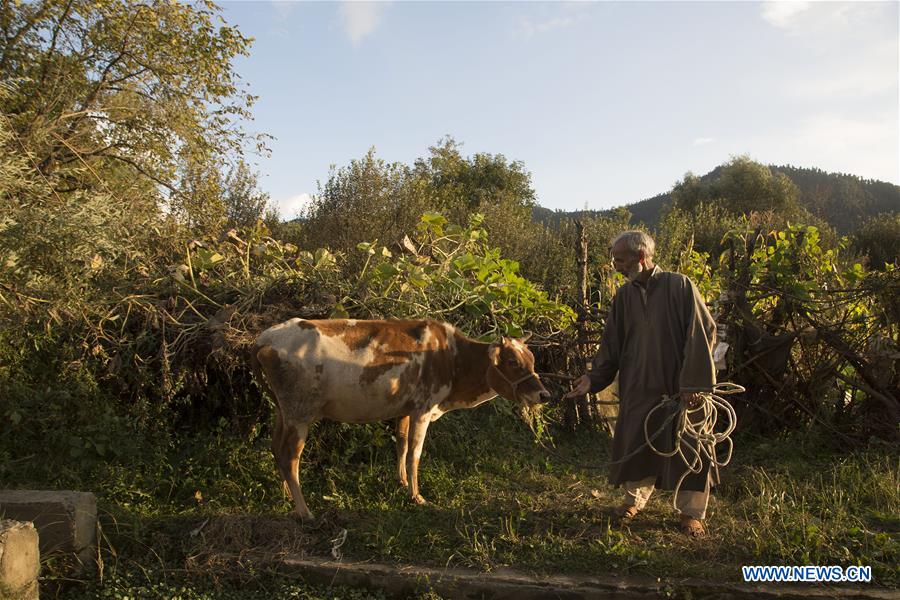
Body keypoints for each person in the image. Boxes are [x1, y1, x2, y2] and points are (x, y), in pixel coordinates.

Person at [565, 230, 717, 537]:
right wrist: (593, 379)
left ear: (641, 257)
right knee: (636, 442)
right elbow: (612, 346)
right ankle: (634, 500)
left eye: (620, 259)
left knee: (690, 446)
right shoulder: (623, 297)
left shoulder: (680, 286)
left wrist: (693, 383)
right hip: (638, 386)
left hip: (682, 388)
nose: (615, 265)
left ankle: (691, 513)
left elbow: (701, 333)